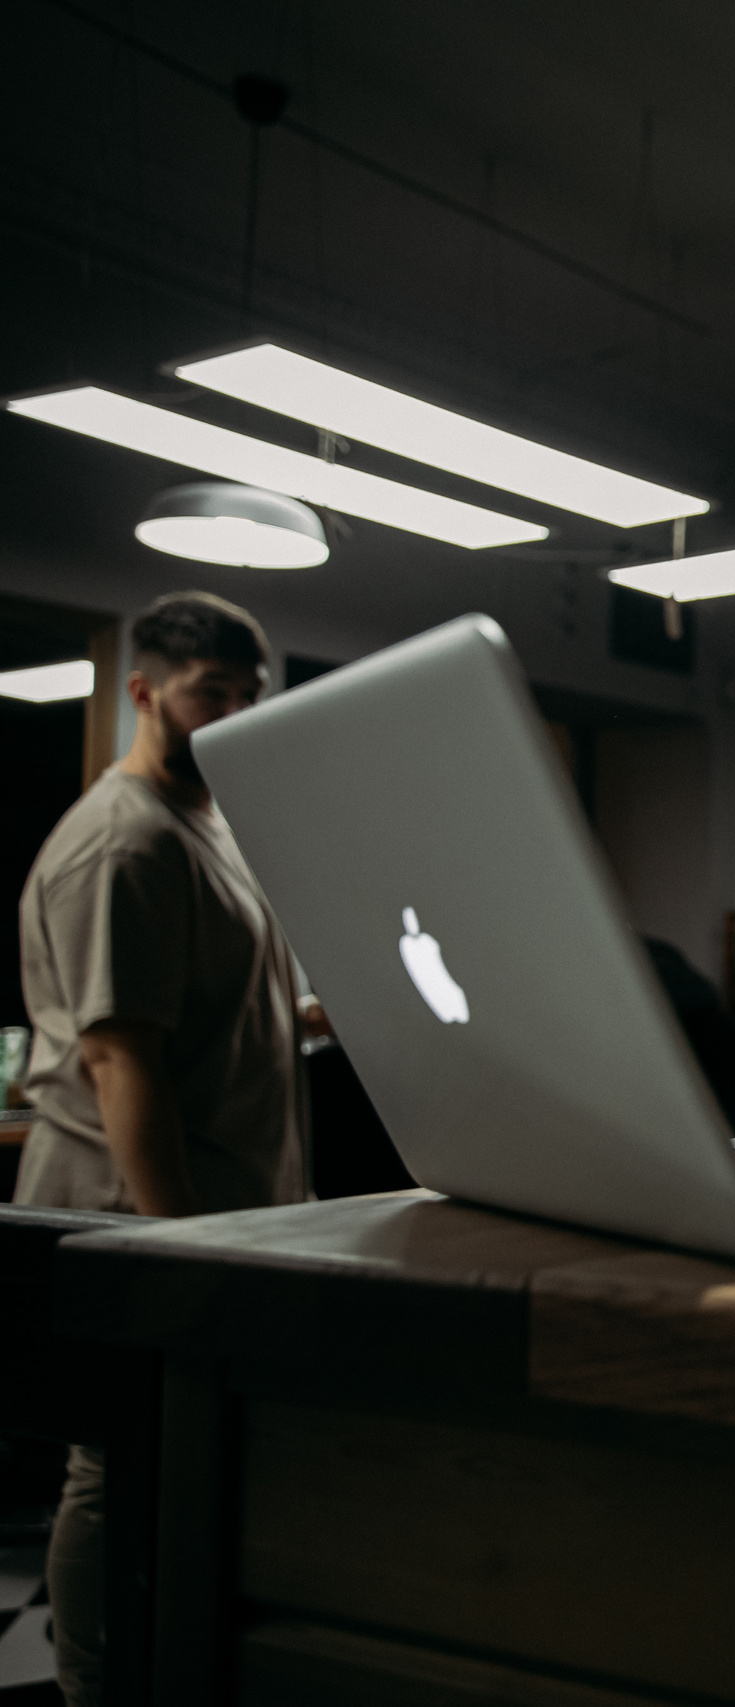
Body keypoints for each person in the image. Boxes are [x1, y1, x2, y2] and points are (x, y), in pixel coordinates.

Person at [14, 590, 309, 1703]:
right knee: (113, 1466)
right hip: (134, 1218)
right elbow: (117, 1058)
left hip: (228, 1211)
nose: (230, 716)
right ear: (142, 692)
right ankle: (93, 1690)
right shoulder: (122, 841)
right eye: (207, 695)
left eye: (246, 696)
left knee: (175, 1461)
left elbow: (201, 1010)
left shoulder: (208, 822)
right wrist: (182, 1247)